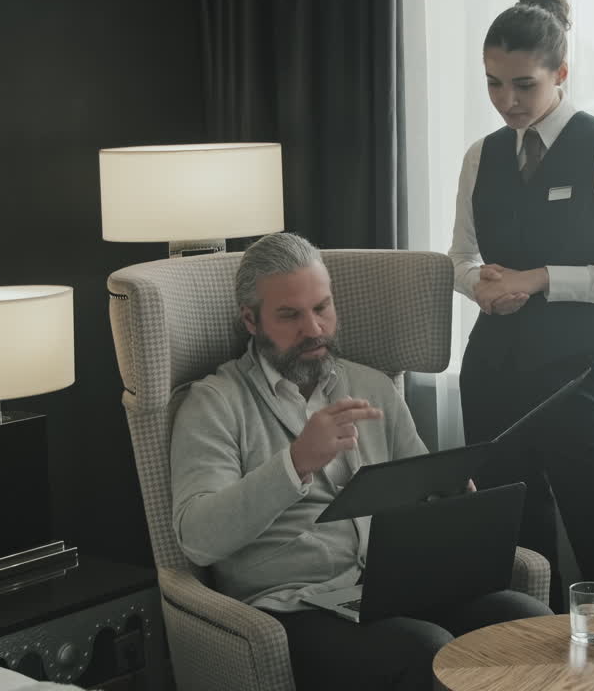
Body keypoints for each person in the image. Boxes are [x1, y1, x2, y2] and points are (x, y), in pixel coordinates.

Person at [171, 232, 550, 691]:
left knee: (527, 623)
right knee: (425, 651)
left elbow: (424, 488)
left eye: (322, 308)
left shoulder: (372, 386)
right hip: (293, 607)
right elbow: (199, 539)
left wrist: (452, 504)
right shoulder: (215, 403)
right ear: (250, 320)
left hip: (390, 591)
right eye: (290, 315)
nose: (313, 330)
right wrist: (295, 462)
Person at [449, 0, 594, 613]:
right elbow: (460, 258)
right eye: (492, 84)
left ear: (560, 74)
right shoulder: (478, 157)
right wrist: (484, 290)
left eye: (523, 85)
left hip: (579, 376)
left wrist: (539, 279)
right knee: (517, 558)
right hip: (492, 376)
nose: (506, 101)